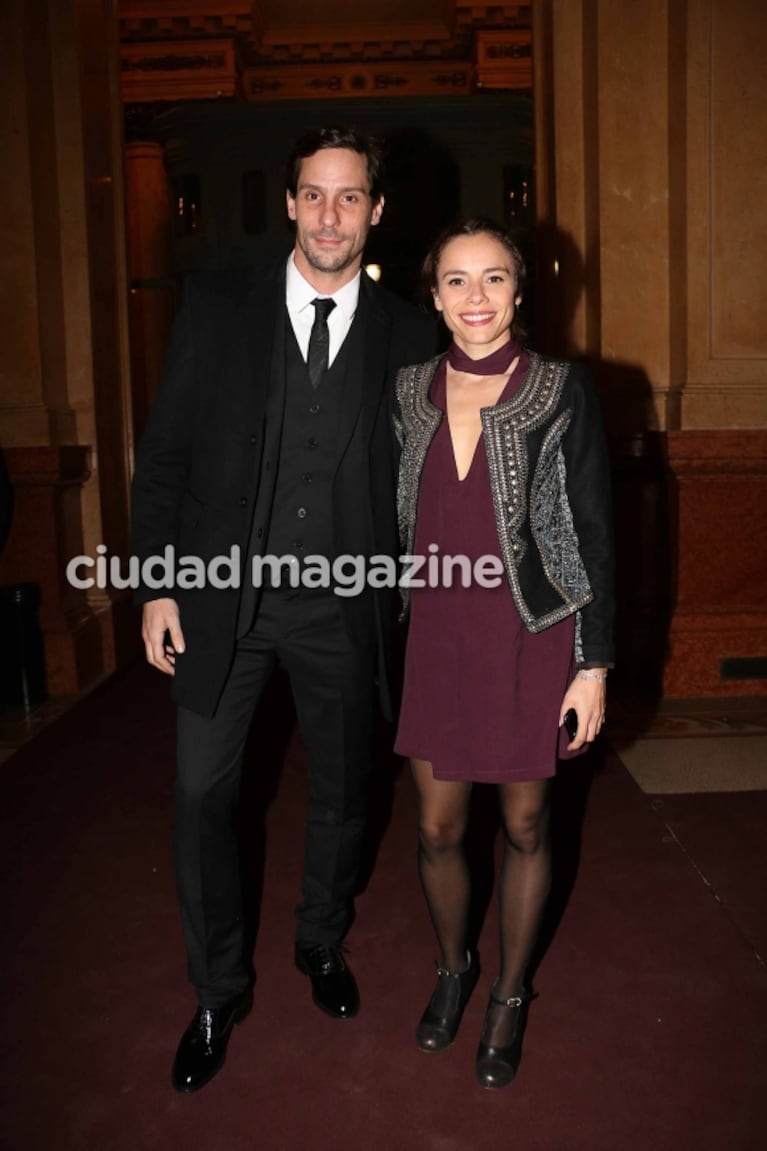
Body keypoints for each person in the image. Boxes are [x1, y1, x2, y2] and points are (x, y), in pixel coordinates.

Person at [131, 125, 436, 1094]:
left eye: (350, 197)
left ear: (375, 210)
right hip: (225, 601)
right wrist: (158, 582)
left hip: (345, 609)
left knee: (348, 794)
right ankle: (217, 988)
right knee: (199, 794)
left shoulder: (409, 331)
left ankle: (318, 938)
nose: (329, 214)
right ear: (291, 201)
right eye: (313, 194)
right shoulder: (218, 307)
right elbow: (167, 458)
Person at [393, 218, 614, 1089]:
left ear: (520, 291)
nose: (474, 297)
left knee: (525, 823)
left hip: (531, 633)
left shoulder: (561, 386)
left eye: (492, 279)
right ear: (434, 293)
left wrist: (592, 665)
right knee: (437, 824)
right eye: (455, 280)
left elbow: (593, 530)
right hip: (436, 633)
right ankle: (454, 968)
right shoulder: (406, 389)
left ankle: (510, 992)